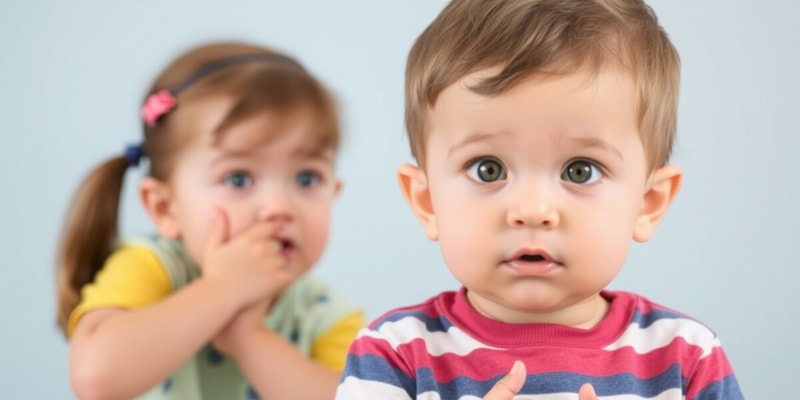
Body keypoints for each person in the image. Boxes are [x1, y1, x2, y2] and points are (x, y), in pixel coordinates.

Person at [336, 0, 744, 399]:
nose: (532, 210)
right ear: (427, 203)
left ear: (647, 203)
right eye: (488, 169)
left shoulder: (687, 357)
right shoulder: (392, 354)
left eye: (580, 170)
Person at [55, 41, 364, 400]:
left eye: (307, 179)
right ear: (165, 209)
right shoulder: (156, 267)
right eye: (238, 179)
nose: (280, 207)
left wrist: (249, 340)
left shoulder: (326, 314)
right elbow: (96, 378)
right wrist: (223, 289)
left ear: (334, 192)